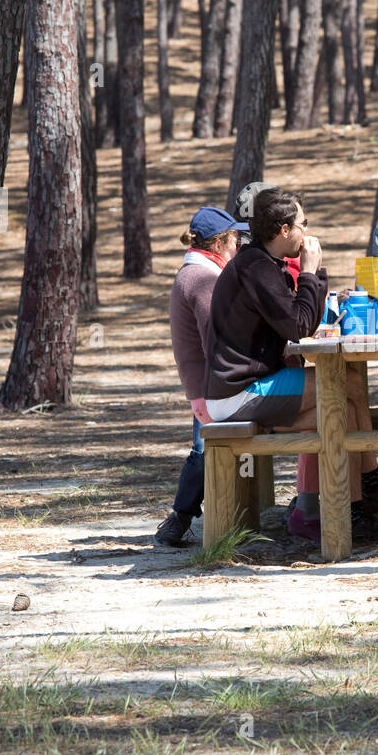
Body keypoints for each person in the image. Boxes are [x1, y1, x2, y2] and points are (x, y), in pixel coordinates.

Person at [205, 187, 378, 538]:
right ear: (284, 230)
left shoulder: (263, 264)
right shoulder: (255, 268)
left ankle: (352, 511)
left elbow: (296, 319)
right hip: (239, 393)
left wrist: (312, 279)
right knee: (349, 384)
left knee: (344, 409)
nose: (306, 231)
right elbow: (298, 326)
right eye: (302, 224)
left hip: (248, 387)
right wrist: (311, 272)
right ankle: (371, 484)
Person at [156, 207, 247, 546]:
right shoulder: (204, 278)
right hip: (209, 385)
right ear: (220, 243)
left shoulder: (197, 272)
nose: (239, 244)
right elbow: (218, 339)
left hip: (204, 382)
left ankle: (185, 517)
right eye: (235, 239)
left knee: (203, 448)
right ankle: (181, 519)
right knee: (203, 450)